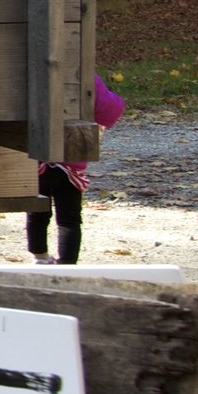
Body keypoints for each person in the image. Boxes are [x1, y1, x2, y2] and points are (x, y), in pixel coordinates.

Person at [32, 78, 126, 265]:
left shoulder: (31, 70)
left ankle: (39, 256)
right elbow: (110, 111)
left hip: (39, 157)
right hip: (71, 161)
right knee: (69, 218)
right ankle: (67, 263)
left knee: (37, 211)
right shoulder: (84, 74)